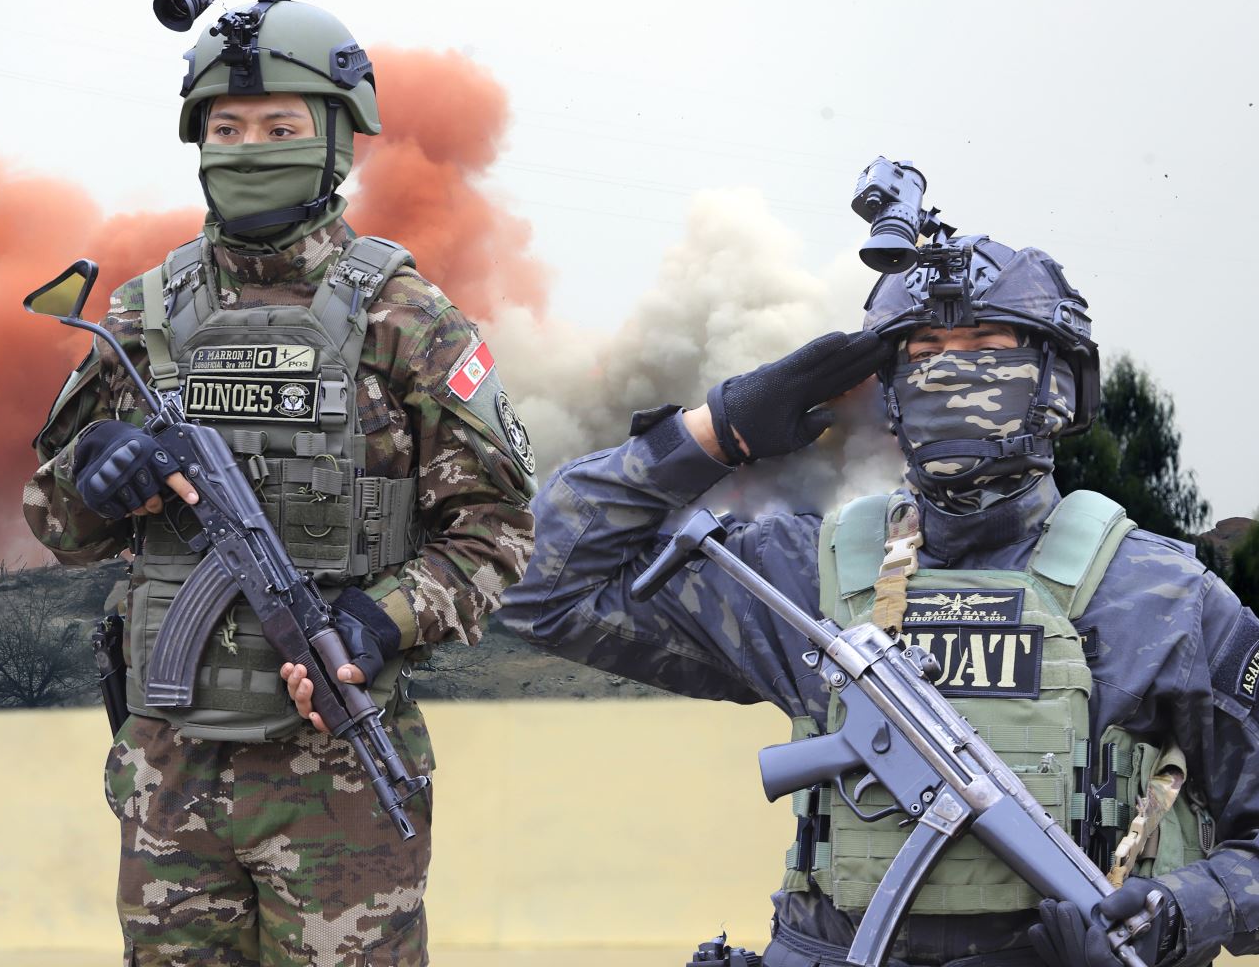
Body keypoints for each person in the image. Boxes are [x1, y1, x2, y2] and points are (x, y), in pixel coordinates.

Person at [499, 230, 1259, 967]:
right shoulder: (805, 573)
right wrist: (717, 430)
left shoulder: (1163, 598)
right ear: (889, 396)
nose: (952, 375)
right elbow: (534, 582)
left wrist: (1183, 913)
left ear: (1058, 383)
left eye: (989, 351)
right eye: (924, 354)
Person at [24, 0, 536, 966]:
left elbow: (496, 529)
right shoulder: (143, 317)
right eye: (227, 128)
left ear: (338, 140)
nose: (250, 146)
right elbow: (57, 525)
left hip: (338, 779)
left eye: (280, 127)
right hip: (171, 773)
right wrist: (97, 477)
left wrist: (382, 618)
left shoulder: (405, 317)